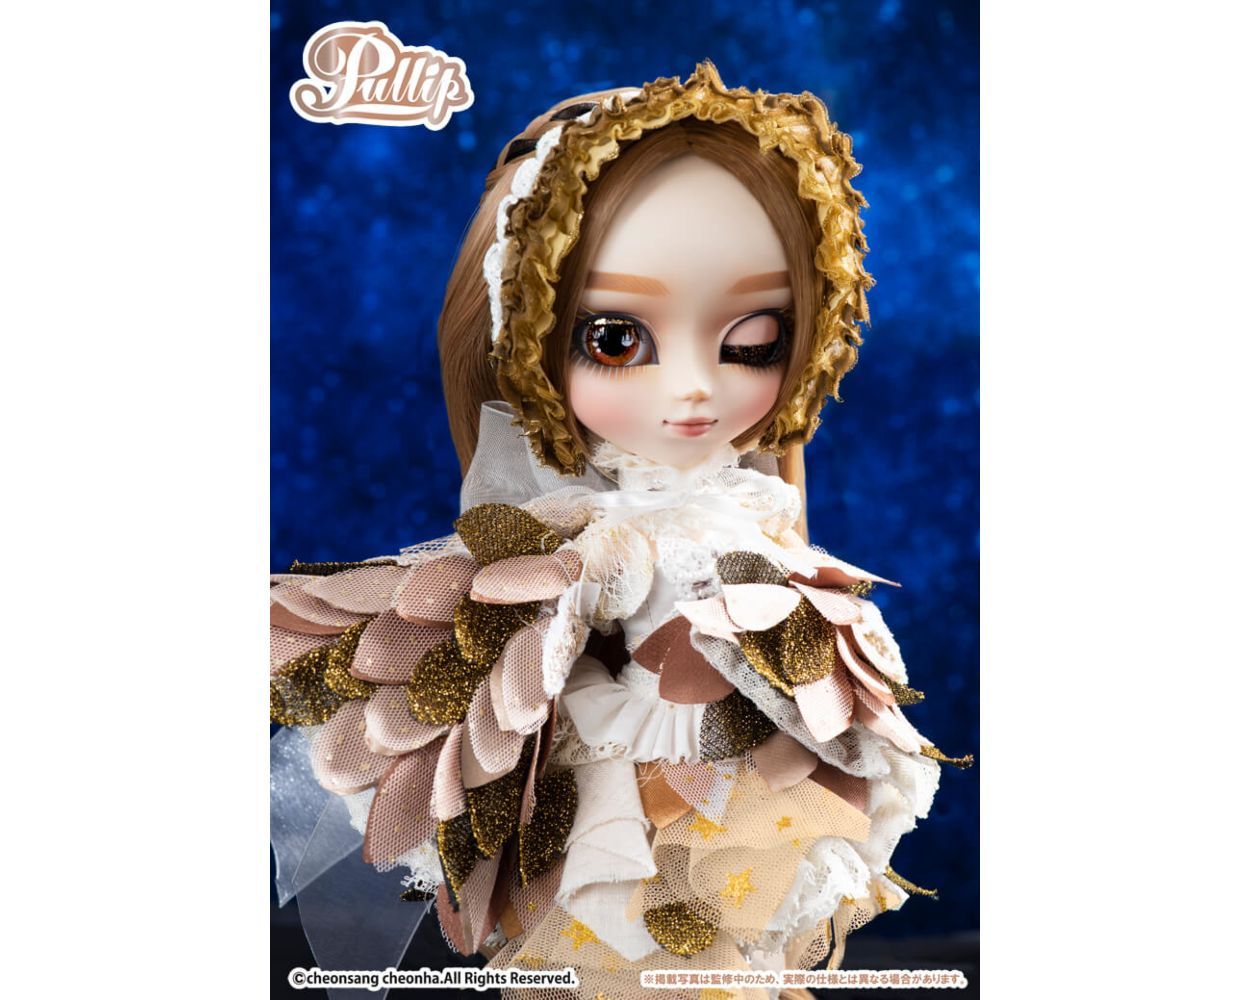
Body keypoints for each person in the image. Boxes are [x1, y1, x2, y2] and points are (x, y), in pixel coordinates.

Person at [270, 60, 970, 1000]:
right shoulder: (590, 533)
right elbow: (540, 646)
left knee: (737, 940)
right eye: (617, 339)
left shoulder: (752, 509)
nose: (694, 389)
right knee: (623, 937)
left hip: (745, 769)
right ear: (533, 340)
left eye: (752, 342)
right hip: (629, 772)